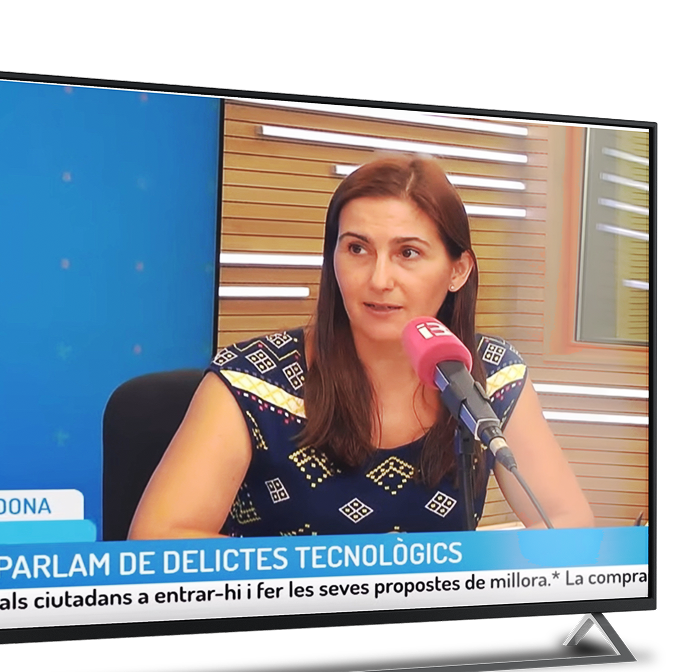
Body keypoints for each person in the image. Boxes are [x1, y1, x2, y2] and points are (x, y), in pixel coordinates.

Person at [128, 156, 594, 539]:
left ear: (458, 271)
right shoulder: (249, 380)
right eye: (356, 249)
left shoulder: (491, 377)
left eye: (408, 253)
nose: (379, 279)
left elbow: (567, 523)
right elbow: (157, 540)